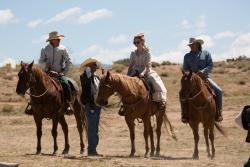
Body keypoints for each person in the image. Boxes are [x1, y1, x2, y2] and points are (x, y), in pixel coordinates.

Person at [25, 31, 72, 115]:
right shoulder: (44, 49)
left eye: (59, 39)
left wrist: (63, 73)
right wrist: (47, 67)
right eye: (57, 39)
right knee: (34, 85)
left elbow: (68, 62)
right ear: (52, 40)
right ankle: (32, 105)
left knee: (66, 84)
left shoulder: (63, 49)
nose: (59, 40)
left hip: (59, 74)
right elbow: (41, 62)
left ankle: (67, 104)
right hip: (46, 74)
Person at [181, 37, 223, 123]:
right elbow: (185, 69)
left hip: (205, 78)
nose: (191, 46)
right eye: (190, 45)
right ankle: (184, 115)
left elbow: (210, 65)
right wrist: (191, 75)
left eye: (193, 45)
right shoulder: (187, 56)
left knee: (219, 90)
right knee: (182, 94)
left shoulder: (206, 53)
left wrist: (203, 72)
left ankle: (218, 113)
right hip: (192, 80)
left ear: (197, 44)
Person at [127, 33, 167, 112]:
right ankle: (124, 105)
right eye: (134, 43)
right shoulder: (133, 53)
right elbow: (131, 65)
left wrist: (143, 73)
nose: (136, 44)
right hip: (135, 70)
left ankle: (161, 100)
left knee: (154, 80)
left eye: (137, 42)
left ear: (142, 42)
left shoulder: (147, 53)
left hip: (146, 71)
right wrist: (127, 75)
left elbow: (147, 65)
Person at [80, 58, 102, 156]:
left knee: (95, 127)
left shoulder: (97, 77)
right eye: (94, 64)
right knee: (92, 127)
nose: (96, 66)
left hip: (97, 104)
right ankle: (91, 149)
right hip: (90, 104)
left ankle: (93, 148)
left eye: (96, 64)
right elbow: (87, 86)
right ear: (89, 66)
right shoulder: (84, 76)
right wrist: (87, 73)